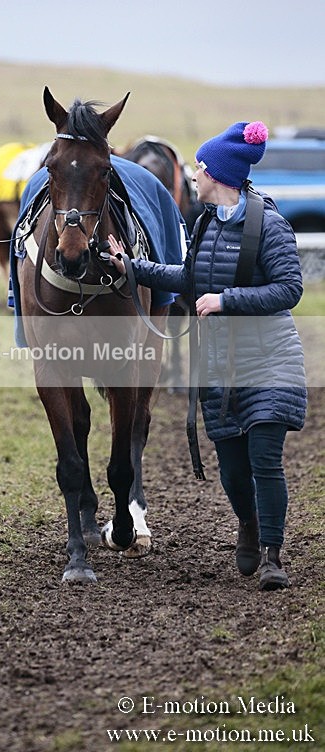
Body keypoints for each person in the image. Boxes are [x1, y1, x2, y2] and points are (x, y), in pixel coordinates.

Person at [108, 121, 307, 592]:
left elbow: (290, 289)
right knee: (233, 473)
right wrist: (130, 267)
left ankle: (273, 556)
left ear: (217, 175)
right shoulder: (204, 224)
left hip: (270, 361)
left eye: (199, 167)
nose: (193, 174)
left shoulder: (270, 225)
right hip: (220, 366)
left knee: (265, 462)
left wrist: (225, 300)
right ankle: (249, 524)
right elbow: (187, 277)